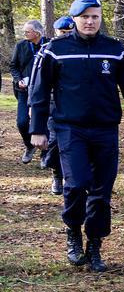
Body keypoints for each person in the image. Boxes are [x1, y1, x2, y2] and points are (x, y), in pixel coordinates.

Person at [29, 0, 124, 272]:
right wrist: (37, 130)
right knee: (77, 183)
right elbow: (40, 92)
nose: (90, 21)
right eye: (84, 17)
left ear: (100, 18)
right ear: (75, 19)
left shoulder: (114, 49)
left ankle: (94, 244)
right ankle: (73, 233)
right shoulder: (56, 49)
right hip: (71, 129)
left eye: (95, 16)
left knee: (101, 191)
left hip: (105, 129)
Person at [32, 16, 75, 195]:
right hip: (52, 106)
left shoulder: (79, 51)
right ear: (56, 32)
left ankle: (73, 178)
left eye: (68, 32)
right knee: (55, 142)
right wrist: (32, 108)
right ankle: (57, 174)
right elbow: (37, 84)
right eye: (62, 32)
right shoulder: (47, 51)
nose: (65, 35)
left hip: (75, 107)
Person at [10, 19, 48, 163]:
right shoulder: (20, 45)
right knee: (22, 122)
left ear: (37, 33)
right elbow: (13, 66)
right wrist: (18, 79)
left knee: (44, 122)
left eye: (27, 31)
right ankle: (29, 146)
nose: (24, 33)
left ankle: (45, 153)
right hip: (24, 91)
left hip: (43, 91)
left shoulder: (49, 45)